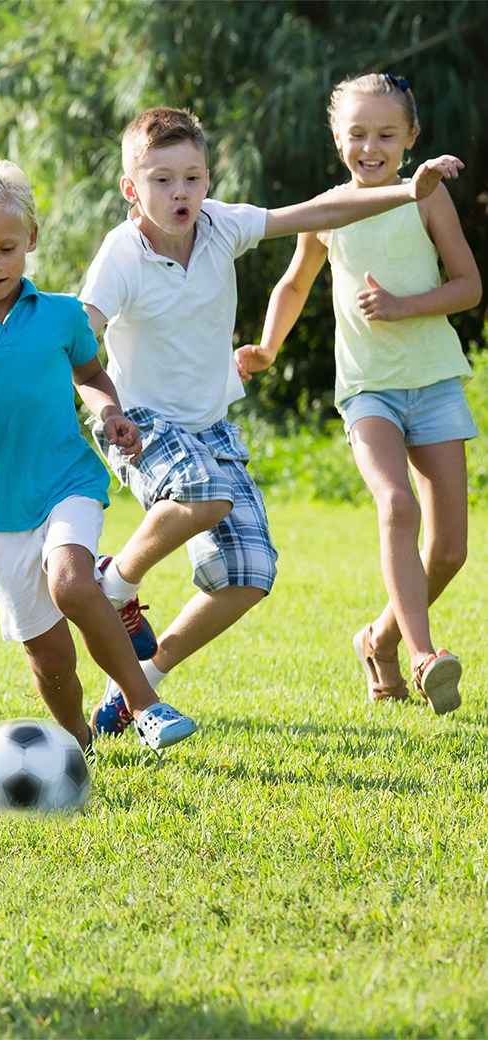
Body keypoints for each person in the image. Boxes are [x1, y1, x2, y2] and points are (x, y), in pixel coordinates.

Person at [78, 106, 464, 739]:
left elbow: (316, 214)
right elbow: (80, 349)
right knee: (208, 491)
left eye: (194, 178)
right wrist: (107, 409)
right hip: (138, 423)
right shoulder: (121, 255)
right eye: (163, 180)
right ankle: (113, 582)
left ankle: (145, 681)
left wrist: (405, 190)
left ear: (208, 179)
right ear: (132, 188)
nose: (181, 193)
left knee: (251, 574)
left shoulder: (221, 225)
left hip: (208, 427)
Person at [0, 159, 196, 752]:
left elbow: (91, 372)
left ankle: (146, 706)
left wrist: (109, 411)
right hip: (1, 511)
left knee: (68, 583)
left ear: (32, 240)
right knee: (52, 660)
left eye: (7, 248)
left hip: (69, 481)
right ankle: (75, 744)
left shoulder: (64, 315)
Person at [238, 74, 479, 714]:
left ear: (411, 139)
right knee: (397, 503)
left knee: (450, 548)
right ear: (338, 138)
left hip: (432, 380)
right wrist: (266, 348)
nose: (370, 147)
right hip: (368, 389)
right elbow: (293, 286)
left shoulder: (425, 200)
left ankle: (379, 640)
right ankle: (426, 656)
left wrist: (404, 306)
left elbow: (468, 286)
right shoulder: (326, 211)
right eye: (357, 134)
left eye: (385, 135)